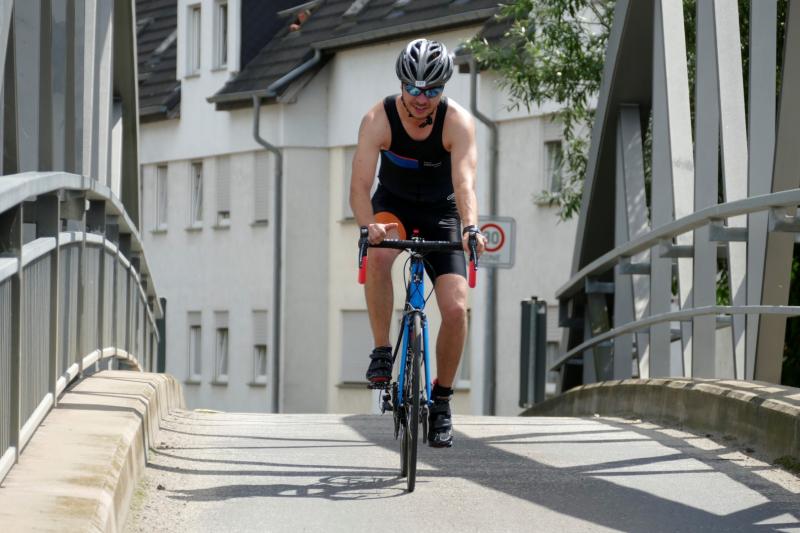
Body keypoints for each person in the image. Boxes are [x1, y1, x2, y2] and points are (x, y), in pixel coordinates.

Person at [349, 38, 486, 448]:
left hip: (442, 212)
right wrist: (368, 225)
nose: (422, 98)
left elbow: (464, 184)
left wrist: (470, 228)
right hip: (393, 208)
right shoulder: (378, 118)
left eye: (432, 90)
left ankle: (441, 400)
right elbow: (359, 187)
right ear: (401, 84)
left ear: (443, 89)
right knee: (378, 255)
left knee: (455, 308)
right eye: (413, 88)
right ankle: (381, 350)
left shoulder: (457, 122)